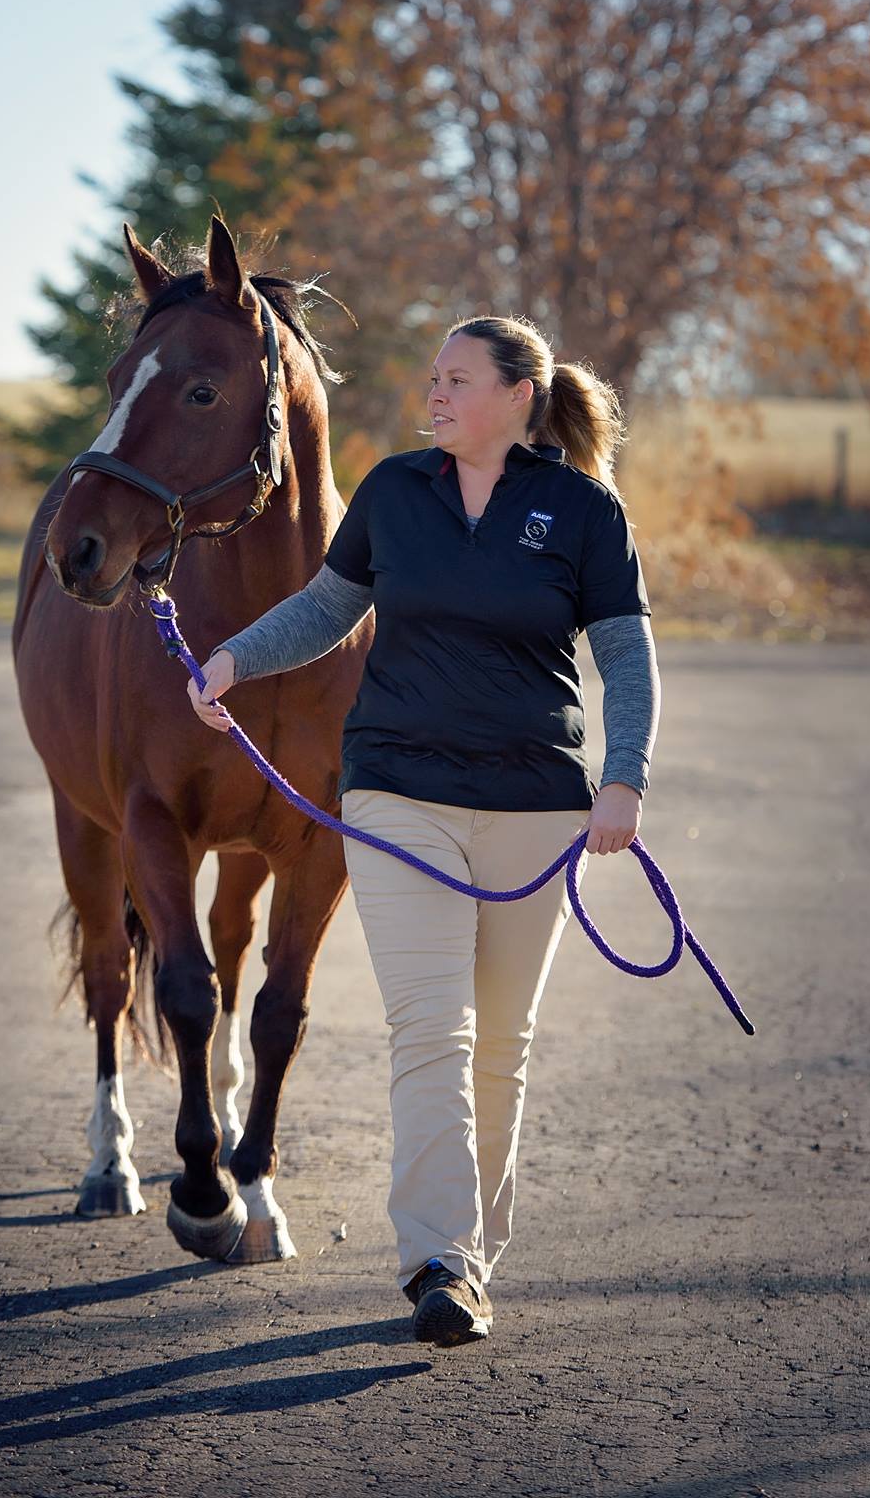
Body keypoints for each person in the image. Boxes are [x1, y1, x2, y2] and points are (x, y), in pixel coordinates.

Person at [187, 314, 661, 1349]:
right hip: (398, 793)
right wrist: (231, 658)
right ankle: (436, 1257)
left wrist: (622, 778)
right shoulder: (394, 493)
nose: (433, 393)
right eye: (433, 377)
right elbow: (324, 606)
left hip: (536, 806)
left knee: (501, 1042)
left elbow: (624, 655)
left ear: (515, 397)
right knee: (430, 1026)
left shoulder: (580, 510)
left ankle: (473, 1254)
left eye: (455, 379)